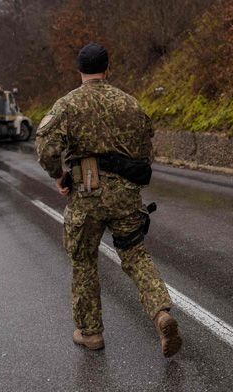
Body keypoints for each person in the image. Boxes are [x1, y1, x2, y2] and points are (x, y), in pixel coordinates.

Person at [35, 43, 182, 357]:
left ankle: (91, 333)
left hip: (86, 195)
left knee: (84, 261)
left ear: (80, 71)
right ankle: (161, 314)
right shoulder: (130, 104)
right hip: (126, 195)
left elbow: (45, 149)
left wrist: (59, 176)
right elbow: (145, 153)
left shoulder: (67, 105)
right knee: (135, 255)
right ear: (107, 68)